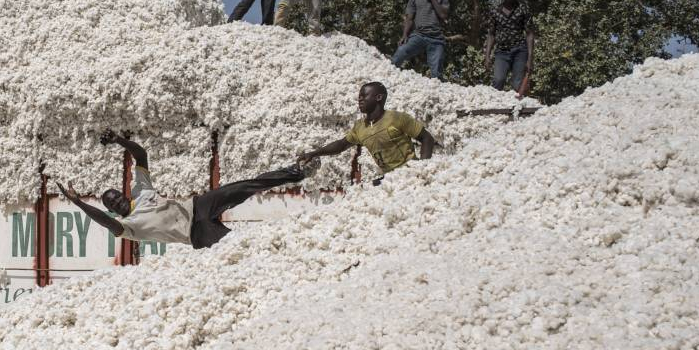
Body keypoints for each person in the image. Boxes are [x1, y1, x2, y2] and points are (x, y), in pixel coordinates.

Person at [56, 130, 317, 250]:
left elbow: (141, 155)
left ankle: (297, 171)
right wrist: (79, 203)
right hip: (196, 233)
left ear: (124, 194)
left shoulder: (141, 192)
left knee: (245, 187)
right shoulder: (129, 227)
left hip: (198, 206)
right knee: (240, 247)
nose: (118, 203)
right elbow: (104, 222)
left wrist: (119, 140)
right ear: (112, 211)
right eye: (113, 205)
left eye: (117, 196)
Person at [298, 82, 436, 180]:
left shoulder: (396, 118)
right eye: (359, 96)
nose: (360, 99)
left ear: (378, 98)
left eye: (364, 96)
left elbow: (427, 138)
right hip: (390, 179)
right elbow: (341, 145)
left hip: (410, 174)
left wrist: (422, 169)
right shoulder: (360, 127)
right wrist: (315, 153)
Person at [391, 0, 450, 79]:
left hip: (436, 39)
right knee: (401, 51)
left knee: (436, 74)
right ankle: (388, 76)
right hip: (419, 35)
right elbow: (409, 18)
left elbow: (443, 15)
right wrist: (404, 35)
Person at [483, 0, 536, 93]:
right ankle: (495, 108)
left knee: (518, 84)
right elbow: (491, 34)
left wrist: (530, 58)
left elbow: (529, 33)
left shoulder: (523, 8)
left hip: (520, 50)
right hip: (501, 52)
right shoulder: (495, 11)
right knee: (498, 81)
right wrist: (487, 56)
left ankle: (519, 108)